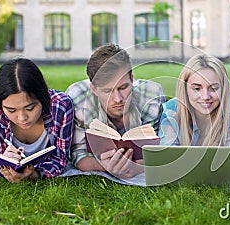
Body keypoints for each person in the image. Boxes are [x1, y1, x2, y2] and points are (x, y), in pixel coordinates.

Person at [0, 58, 74, 183]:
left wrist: (35, 174)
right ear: (0, 105)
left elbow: (60, 160)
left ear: (43, 97)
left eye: (30, 108)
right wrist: (4, 164)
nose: (22, 118)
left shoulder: (61, 106)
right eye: (11, 110)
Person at [66, 43, 166, 178]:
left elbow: (158, 151)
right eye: (107, 91)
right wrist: (104, 166)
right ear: (94, 89)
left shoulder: (151, 96)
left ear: (132, 79)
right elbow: (78, 153)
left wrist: (135, 168)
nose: (118, 99)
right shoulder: (78, 98)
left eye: (123, 87)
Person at [158, 54, 230, 146]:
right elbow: (168, 155)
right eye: (197, 89)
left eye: (213, 88)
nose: (205, 97)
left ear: (224, 88)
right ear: (185, 89)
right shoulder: (172, 110)